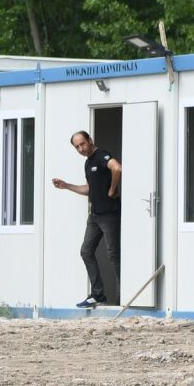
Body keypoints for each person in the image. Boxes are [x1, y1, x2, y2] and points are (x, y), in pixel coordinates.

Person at [52, 129, 121, 308]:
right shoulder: (88, 163)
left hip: (109, 215)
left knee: (114, 254)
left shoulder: (102, 155)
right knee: (86, 251)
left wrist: (112, 189)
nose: (81, 149)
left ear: (90, 140)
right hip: (95, 216)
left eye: (83, 144)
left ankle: (125, 295)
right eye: (77, 147)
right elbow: (90, 189)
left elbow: (117, 168)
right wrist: (67, 186)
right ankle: (98, 295)